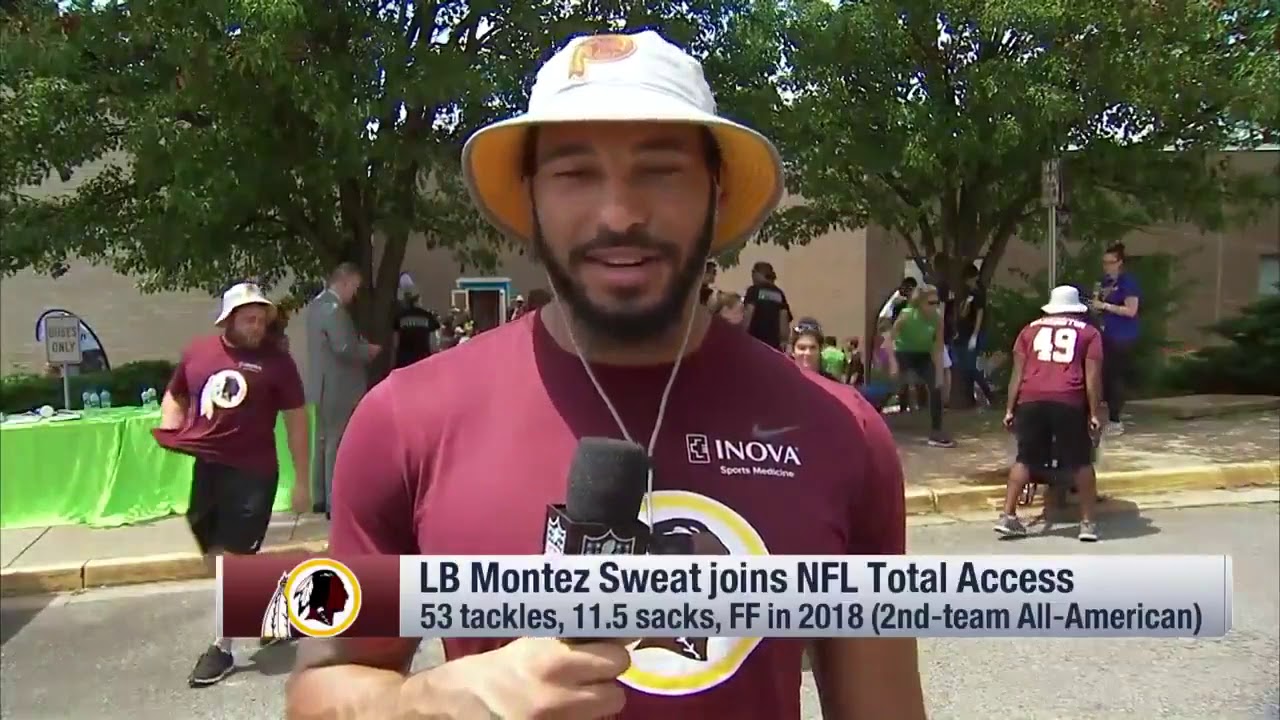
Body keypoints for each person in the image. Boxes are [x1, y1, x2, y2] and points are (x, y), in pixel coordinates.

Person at [287, 30, 925, 720]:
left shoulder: (840, 433)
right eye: (575, 174)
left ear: (716, 193)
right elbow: (318, 692)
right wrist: (426, 702)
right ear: (531, 197)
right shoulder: (406, 421)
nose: (619, 215)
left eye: (661, 171)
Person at [152, 282, 310, 687]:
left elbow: (296, 421)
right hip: (208, 469)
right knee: (215, 555)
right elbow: (175, 393)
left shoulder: (278, 363)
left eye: (261, 319)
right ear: (229, 320)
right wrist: (171, 424)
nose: (257, 326)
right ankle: (277, 612)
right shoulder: (199, 352)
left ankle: (222, 646)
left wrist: (303, 481)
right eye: (248, 319)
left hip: (254, 473)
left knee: (236, 559)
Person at [997, 285, 1104, 542]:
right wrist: (1094, 412)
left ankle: (1008, 516)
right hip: (1069, 399)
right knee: (1081, 461)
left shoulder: (1028, 330)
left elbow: (1017, 374)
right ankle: (1087, 523)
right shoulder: (1089, 333)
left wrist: (1010, 409)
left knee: (1025, 459)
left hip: (1031, 398)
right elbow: (1092, 378)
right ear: (1077, 309)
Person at [303, 263, 380, 516]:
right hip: (339, 385)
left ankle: (319, 496)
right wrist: (367, 351)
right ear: (345, 282)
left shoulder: (316, 306)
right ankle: (333, 501)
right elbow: (343, 347)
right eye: (354, 287)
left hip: (321, 383)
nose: (354, 294)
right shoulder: (335, 310)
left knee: (322, 441)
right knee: (335, 442)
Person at [889, 285, 956, 447]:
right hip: (903, 353)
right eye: (930, 303)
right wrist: (893, 363)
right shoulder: (907, 315)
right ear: (919, 303)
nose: (934, 307)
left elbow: (938, 347)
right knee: (892, 386)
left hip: (923, 355)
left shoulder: (937, 319)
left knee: (936, 388)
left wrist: (939, 373)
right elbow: (890, 339)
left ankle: (936, 432)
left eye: (936, 303)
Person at [1092, 242, 1141, 435]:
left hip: (1122, 335)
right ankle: (1104, 413)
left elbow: (1131, 310)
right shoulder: (1104, 282)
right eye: (1104, 262)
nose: (1106, 266)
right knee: (1103, 374)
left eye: (1110, 262)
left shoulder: (1128, 282)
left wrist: (1106, 307)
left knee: (1115, 376)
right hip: (1105, 333)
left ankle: (1115, 419)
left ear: (1120, 262)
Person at [952, 263, 995, 406]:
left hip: (974, 333)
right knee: (965, 367)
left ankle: (990, 396)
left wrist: (975, 336)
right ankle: (971, 397)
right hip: (964, 333)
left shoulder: (979, 293)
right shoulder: (967, 293)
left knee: (971, 366)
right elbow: (962, 314)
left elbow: (979, 315)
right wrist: (966, 304)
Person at [391, 273, 440, 368]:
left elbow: (395, 343)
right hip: (423, 360)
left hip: (404, 360)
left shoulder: (400, 316)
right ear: (419, 299)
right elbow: (433, 342)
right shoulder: (428, 316)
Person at [743, 260, 791, 350]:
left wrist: (742, 334)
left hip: (754, 342)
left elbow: (749, 312)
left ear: (758, 274)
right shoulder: (779, 293)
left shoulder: (754, 290)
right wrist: (784, 341)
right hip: (773, 345)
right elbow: (784, 317)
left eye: (753, 272)